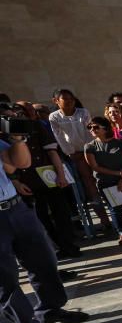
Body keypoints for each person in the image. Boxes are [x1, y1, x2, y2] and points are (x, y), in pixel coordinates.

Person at [0, 122, 88, 323]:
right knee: (5, 277)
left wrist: (17, 139)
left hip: (16, 208)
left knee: (43, 261)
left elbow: (19, 164)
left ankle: (50, 309)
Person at [10, 101, 81, 258]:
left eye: (22, 110)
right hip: (27, 180)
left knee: (61, 213)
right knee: (40, 217)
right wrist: (16, 181)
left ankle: (69, 245)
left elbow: (52, 152)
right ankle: (55, 248)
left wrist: (61, 175)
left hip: (48, 176)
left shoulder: (36, 127)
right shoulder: (7, 132)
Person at [48, 88, 112, 229]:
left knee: (103, 180)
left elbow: (90, 132)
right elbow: (59, 137)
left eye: (72, 98)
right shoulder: (54, 117)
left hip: (90, 151)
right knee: (89, 184)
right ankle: (105, 219)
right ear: (56, 101)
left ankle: (115, 214)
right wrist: (71, 152)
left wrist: (88, 150)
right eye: (65, 99)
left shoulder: (83, 113)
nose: (70, 102)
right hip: (75, 155)